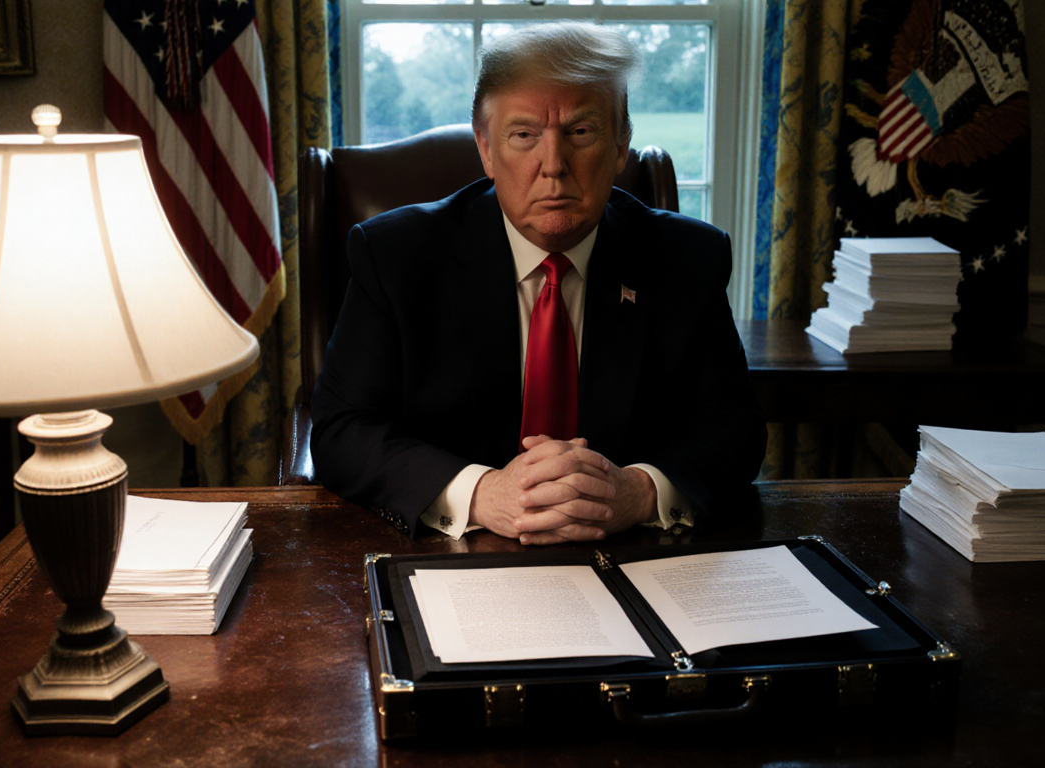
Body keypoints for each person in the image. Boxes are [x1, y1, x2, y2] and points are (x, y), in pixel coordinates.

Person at [309, 22, 763, 545]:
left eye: (580, 133)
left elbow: (734, 428)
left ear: (620, 147)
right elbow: (343, 430)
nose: (554, 166)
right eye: (524, 135)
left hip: (630, 554)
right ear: (485, 148)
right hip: (454, 556)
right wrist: (482, 494)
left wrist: (637, 492)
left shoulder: (688, 258)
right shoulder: (396, 255)